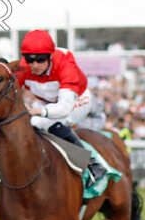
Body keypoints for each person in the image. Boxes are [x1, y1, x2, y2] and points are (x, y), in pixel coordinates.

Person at [17, 29, 106, 186]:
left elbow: (64, 108)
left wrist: (37, 111)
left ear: (50, 56)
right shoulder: (24, 66)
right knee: (27, 125)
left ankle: (93, 164)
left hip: (77, 99)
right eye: (30, 60)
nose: (34, 65)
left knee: (50, 123)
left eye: (40, 60)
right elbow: (8, 90)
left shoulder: (65, 63)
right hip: (47, 101)